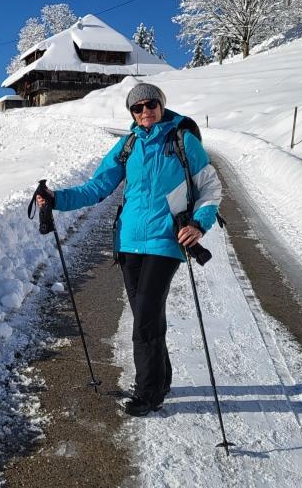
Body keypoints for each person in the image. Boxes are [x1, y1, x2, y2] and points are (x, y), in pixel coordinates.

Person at [36, 82, 222, 416]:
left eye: (151, 105)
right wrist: (57, 199)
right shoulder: (129, 145)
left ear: (161, 105)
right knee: (146, 317)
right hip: (128, 242)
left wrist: (199, 223)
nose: (145, 111)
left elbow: (210, 187)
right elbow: (97, 187)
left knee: (146, 317)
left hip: (166, 241)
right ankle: (161, 380)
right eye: (137, 108)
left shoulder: (182, 140)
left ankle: (148, 393)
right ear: (132, 114)